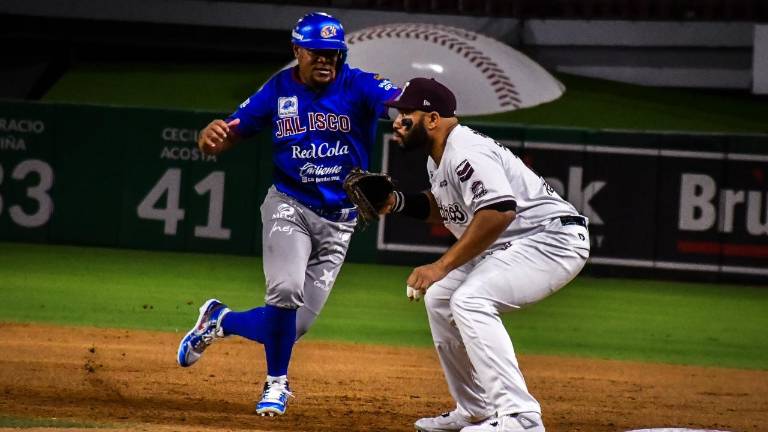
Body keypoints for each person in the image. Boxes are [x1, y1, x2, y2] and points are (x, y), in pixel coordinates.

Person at [175, 12, 400, 417]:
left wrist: (405, 117)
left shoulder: (357, 83)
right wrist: (211, 139)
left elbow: (395, 101)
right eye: (316, 53)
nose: (326, 61)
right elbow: (228, 133)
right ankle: (276, 384)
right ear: (297, 50)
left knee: (290, 327)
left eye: (334, 53)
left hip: (340, 220)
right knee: (285, 291)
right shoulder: (278, 90)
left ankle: (219, 319)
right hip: (290, 205)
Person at [382, 78, 590, 432]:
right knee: (441, 299)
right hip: (519, 243)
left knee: (470, 299)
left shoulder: (466, 151)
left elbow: (498, 211)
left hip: (552, 239)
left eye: (406, 114)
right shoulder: (440, 159)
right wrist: (398, 202)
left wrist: (440, 265)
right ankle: (475, 408)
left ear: (432, 119)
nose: (398, 122)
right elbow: (448, 209)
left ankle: (521, 417)